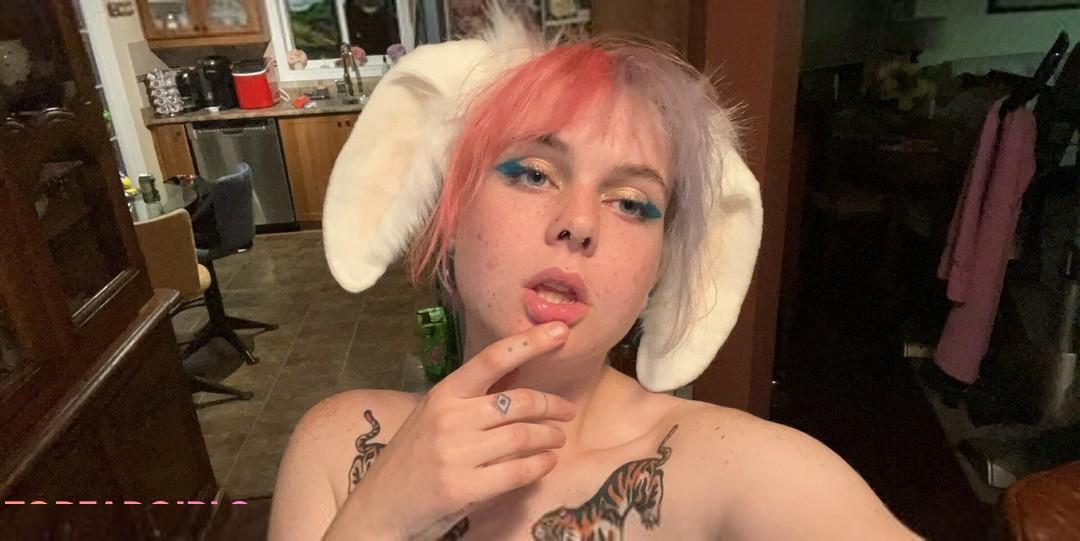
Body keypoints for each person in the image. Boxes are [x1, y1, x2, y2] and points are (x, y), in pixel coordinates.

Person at [269, 7, 918, 540]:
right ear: (452, 205)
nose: (579, 222)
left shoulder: (736, 469)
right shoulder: (341, 447)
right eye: (533, 173)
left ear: (659, 265)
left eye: (631, 203)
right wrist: (378, 520)